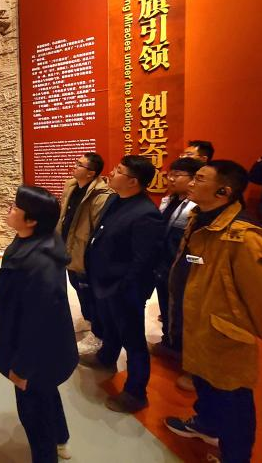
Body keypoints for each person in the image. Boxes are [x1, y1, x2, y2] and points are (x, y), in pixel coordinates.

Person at [164, 160, 262, 463]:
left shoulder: (244, 236)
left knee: (233, 397)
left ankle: (236, 456)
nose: (191, 183)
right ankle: (207, 424)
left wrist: (237, 324)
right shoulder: (200, 218)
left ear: (223, 191)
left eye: (199, 179)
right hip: (199, 317)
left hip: (225, 329)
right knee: (204, 381)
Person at [0, 185, 78, 463]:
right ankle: (61, 438)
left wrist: (22, 368)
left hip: (35, 358)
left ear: (31, 220)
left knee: (34, 416)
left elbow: (37, 324)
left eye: (16, 207)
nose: (10, 210)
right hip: (42, 354)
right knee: (46, 395)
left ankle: (49, 453)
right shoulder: (38, 241)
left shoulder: (39, 265)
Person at [80, 155, 164, 413]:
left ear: (133, 181)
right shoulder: (116, 199)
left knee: (133, 340)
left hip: (123, 289)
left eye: (118, 171)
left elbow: (143, 261)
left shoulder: (146, 214)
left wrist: (123, 289)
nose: (112, 173)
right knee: (111, 327)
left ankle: (136, 393)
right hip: (105, 282)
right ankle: (107, 357)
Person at [56, 152, 112, 347]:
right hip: (67, 245)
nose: (75, 166)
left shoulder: (101, 195)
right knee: (75, 284)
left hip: (84, 251)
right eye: (76, 162)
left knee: (89, 290)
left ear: (91, 173)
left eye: (80, 164)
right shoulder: (71, 186)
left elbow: (98, 228)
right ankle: (88, 319)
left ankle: (98, 332)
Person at [150, 157, 202, 361]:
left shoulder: (197, 206)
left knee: (182, 309)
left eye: (177, 175)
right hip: (164, 264)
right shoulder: (170, 200)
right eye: (170, 174)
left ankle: (182, 350)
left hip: (183, 265)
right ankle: (170, 342)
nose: (170, 179)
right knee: (167, 305)